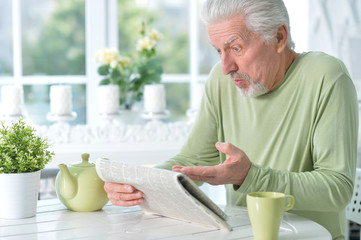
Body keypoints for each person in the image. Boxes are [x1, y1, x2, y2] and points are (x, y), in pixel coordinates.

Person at [104, 0, 359, 239]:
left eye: (235, 48)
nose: (226, 67)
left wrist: (249, 176)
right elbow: (192, 161)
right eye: (218, 50)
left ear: (279, 37)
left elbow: (337, 187)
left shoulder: (326, 76)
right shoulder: (221, 80)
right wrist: (139, 183)